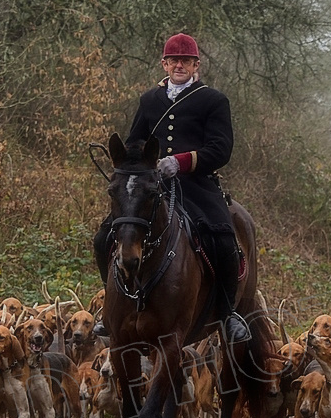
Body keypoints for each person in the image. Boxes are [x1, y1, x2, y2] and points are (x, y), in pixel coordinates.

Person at [92, 32, 249, 342]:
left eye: (186, 61)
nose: (180, 65)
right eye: (174, 60)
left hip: (197, 184)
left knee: (223, 239)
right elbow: (136, 140)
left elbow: (221, 148)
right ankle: (112, 308)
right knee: (103, 237)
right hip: (152, 185)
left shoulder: (214, 100)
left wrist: (181, 162)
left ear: (195, 64)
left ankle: (229, 313)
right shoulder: (149, 100)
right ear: (164, 64)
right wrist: (134, 163)